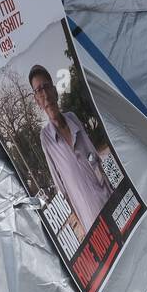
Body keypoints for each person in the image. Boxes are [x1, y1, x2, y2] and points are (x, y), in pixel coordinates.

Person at [29, 65, 115, 237]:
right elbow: (61, 187)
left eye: (47, 87)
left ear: (55, 91)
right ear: (37, 100)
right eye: (39, 90)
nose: (45, 94)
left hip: (109, 201)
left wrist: (111, 191)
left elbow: (94, 158)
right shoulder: (46, 138)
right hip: (91, 220)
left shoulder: (73, 118)